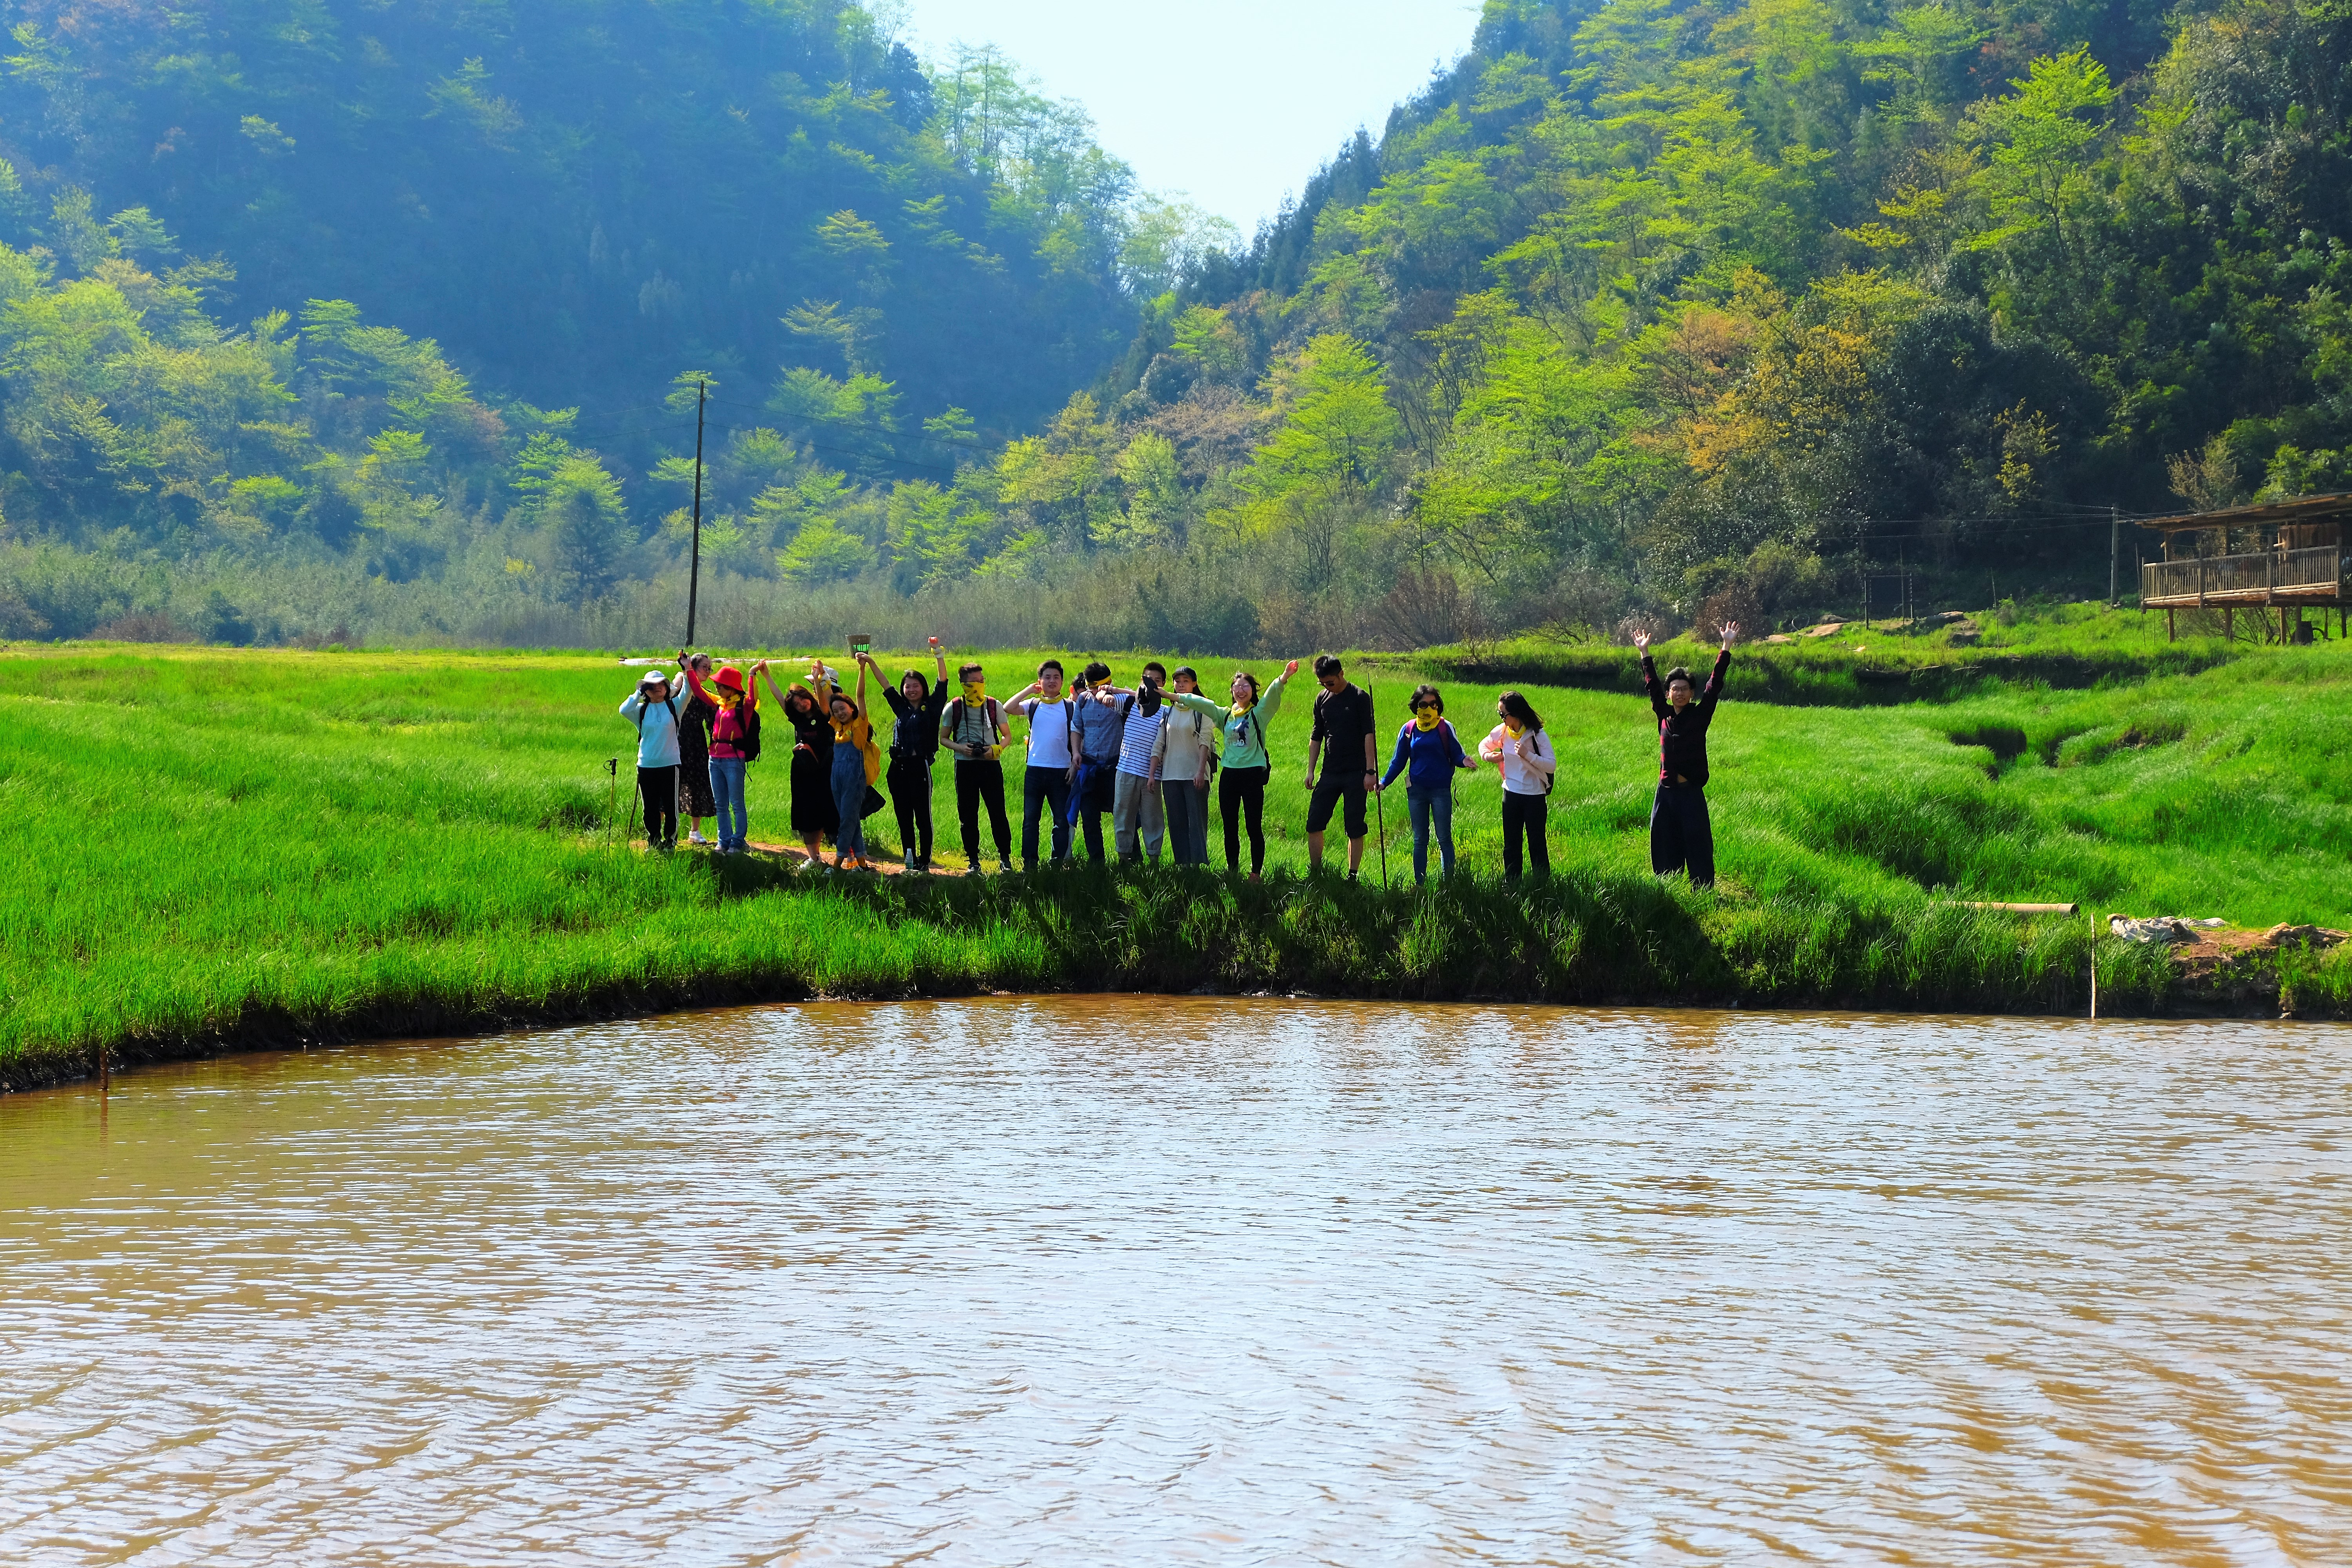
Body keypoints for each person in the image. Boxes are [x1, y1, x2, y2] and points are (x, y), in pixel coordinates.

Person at [1637, 622, 1737, 888]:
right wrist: (1644, 652)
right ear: (1669, 694)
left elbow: (1715, 685)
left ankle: (1702, 888)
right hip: (1666, 792)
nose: (1679, 693)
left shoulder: (1700, 716)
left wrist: (1726, 647)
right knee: (1663, 839)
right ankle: (1667, 885)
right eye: (1674, 689)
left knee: (1697, 841)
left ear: (1691, 693)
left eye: (1684, 689)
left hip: (1690, 792)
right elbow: (1651, 685)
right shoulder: (1664, 716)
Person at [1375, 684, 1474, 883]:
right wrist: (1384, 782)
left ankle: (1449, 884)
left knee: (1444, 839)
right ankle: (1419, 884)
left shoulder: (1445, 727)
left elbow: (1457, 754)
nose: (1429, 708)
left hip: (1441, 790)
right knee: (1420, 840)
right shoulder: (1409, 729)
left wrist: (1465, 761)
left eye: (1434, 704)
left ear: (1439, 706)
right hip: (1416, 791)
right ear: (1416, 706)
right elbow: (1399, 760)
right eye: (1424, 704)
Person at [1217, 659, 1299, 880]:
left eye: (1246, 686)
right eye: (1237, 686)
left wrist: (1284, 676)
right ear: (1232, 691)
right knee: (1230, 827)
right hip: (1229, 776)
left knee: (1253, 826)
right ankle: (1232, 871)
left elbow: (1273, 695)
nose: (1241, 690)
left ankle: (1255, 873)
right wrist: (1171, 696)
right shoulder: (1226, 716)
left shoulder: (1258, 714)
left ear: (1252, 691)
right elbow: (1198, 703)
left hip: (1252, 775)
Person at [940, 657, 1015, 876]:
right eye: (974, 682)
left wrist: (996, 750)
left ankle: (1005, 859)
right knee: (968, 815)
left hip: (991, 765)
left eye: (981, 680)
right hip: (965, 766)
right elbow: (944, 738)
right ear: (964, 684)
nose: (979, 685)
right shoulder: (952, 708)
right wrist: (962, 748)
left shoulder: (994, 705)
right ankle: (973, 861)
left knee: (998, 813)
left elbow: (1007, 736)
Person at [1303, 656, 1377, 880]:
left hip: (1356, 772)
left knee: (1354, 825)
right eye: (1322, 684)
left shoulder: (1360, 697)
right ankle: (1316, 872)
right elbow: (1317, 736)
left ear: (1341, 674)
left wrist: (1370, 772)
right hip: (1330, 771)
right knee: (1314, 822)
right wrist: (1310, 770)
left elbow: (1369, 734)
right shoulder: (1322, 699)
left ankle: (1352, 875)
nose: (1327, 687)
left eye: (1330, 683)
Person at [882, 637, 951, 873]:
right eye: (908, 686)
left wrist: (938, 656)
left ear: (923, 687)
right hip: (898, 768)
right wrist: (869, 662)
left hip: (920, 767)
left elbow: (942, 682)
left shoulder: (932, 706)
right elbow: (885, 686)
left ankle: (924, 861)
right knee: (903, 816)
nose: (911, 690)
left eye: (916, 685)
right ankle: (909, 860)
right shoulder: (900, 707)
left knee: (922, 816)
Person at [762, 661, 840, 865]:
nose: (801, 704)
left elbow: (825, 700)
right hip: (804, 772)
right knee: (806, 815)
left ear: (809, 696)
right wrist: (767, 675)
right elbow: (780, 698)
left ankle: (844, 853)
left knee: (825, 812)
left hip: (825, 770)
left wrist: (818, 679)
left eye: (803, 700)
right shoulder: (798, 720)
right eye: (796, 704)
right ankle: (814, 858)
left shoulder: (824, 715)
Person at [1004, 658, 1078, 870]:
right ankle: (1030, 863)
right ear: (1040, 681)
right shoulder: (1033, 705)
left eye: (1056, 677)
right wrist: (1029, 690)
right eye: (1047, 677)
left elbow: (1076, 736)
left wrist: (1074, 764)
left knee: (1062, 821)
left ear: (1062, 682)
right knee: (1030, 820)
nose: (1052, 681)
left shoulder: (1070, 707)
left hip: (1062, 772)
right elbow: (1009, 707)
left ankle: (1057, 862)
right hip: (1035, 771)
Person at [684, 657, 762, 855]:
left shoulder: (744, 706)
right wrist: (688, 669)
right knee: (720, 804)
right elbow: (699, 691)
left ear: (732, 687)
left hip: (734, 760)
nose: (717, 688)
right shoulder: (720, 703)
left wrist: (752, 675)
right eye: (717, 685)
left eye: (721, 685)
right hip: (715, 759)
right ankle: (724, 840)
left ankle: (738, 842)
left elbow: (752, 698)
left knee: (736, 804)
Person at [1479, 690, 1557, 881]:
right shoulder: (1503, 732)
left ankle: (1541, 885)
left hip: (1534, 797)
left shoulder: (1537, 735)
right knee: (1511, 845)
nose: (1501, 718)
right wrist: (1491, 757)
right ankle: (1512, 885)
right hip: (1511, 795)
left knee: (1537, 844)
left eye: (1503, 714)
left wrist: (1527, 755)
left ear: (1515, 713)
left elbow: (1551, 765)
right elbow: (1484, 746)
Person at [1154, 665, 1223, 865]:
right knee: (1176, 823)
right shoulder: (1168, 712)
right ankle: (1182, 864)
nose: (1181, 685)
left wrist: (1201, 771)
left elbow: (1205, 742)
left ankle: (1198, 865)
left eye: (1186, 681)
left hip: (1195, 775)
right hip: (1170, 775)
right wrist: (1152, 774)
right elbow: (1160, 743)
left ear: (1194, 684)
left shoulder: (1204, 708)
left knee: (1197, 822)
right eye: (1178, 681)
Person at [1109, 664, 1172, 862]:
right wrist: (1108, 694)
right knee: (1123, 815)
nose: (1151, 685)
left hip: (1152, 775)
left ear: (1163, 685)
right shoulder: (1130, 704)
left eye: (1157, 681)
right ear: (1141, 681)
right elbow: (1106, 700)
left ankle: (1154, 860)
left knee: (1152, 819)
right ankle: (1123, 858)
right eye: (1147, 680)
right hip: (1126, 770)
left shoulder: (1166, 712)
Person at [826, 653, 884, 870]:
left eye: (843, 708)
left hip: (854, 779)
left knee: (847, 822)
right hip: (836, 778)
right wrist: (820, 677)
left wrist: (862, 669)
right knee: (849, 819)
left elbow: (860, 695)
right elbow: (825, 702)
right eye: (836, 711)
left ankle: (837, 863)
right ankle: (862, 863)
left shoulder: (858, 728)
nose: (840, 713)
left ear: (851, 708)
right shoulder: (837, 728)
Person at [1066, 661, 1126, 863]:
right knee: (1090, 818)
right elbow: (1077, 728)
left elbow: (1144, 701)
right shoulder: (1083, 700)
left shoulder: (1122, 700)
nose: (1094, 692)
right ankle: (1097, 862)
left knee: (1124, 817)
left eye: (1097, 687)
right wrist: (1076, 753)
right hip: (1089, 767)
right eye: (1091, 687)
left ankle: (1128, 860)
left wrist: (1113, 692)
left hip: (1115, 768)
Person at [618, 667, 683, 851]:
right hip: (646, 766)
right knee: (650, 808)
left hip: (671, 765)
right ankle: (654, 842)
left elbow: (688, 691)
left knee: (672, 807)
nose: (658, 688)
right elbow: (623, 710)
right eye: (652, 686)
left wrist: (686, 669)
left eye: (661, 684)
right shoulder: (640, 710)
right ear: (646, 690)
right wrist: (639, 691)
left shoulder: (675, 706)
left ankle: (671, 842)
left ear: (667, 687)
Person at [673, 649, 718, 847]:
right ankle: (669, 831)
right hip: (676, 740)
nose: (708, 672)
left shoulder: (706, 694)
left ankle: (695, 831)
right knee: (672, 783)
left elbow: (713, 722)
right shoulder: (681, 684)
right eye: (704, 668)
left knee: (698, 784)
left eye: (710, 668)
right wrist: (684, 671)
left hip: (697, 742)